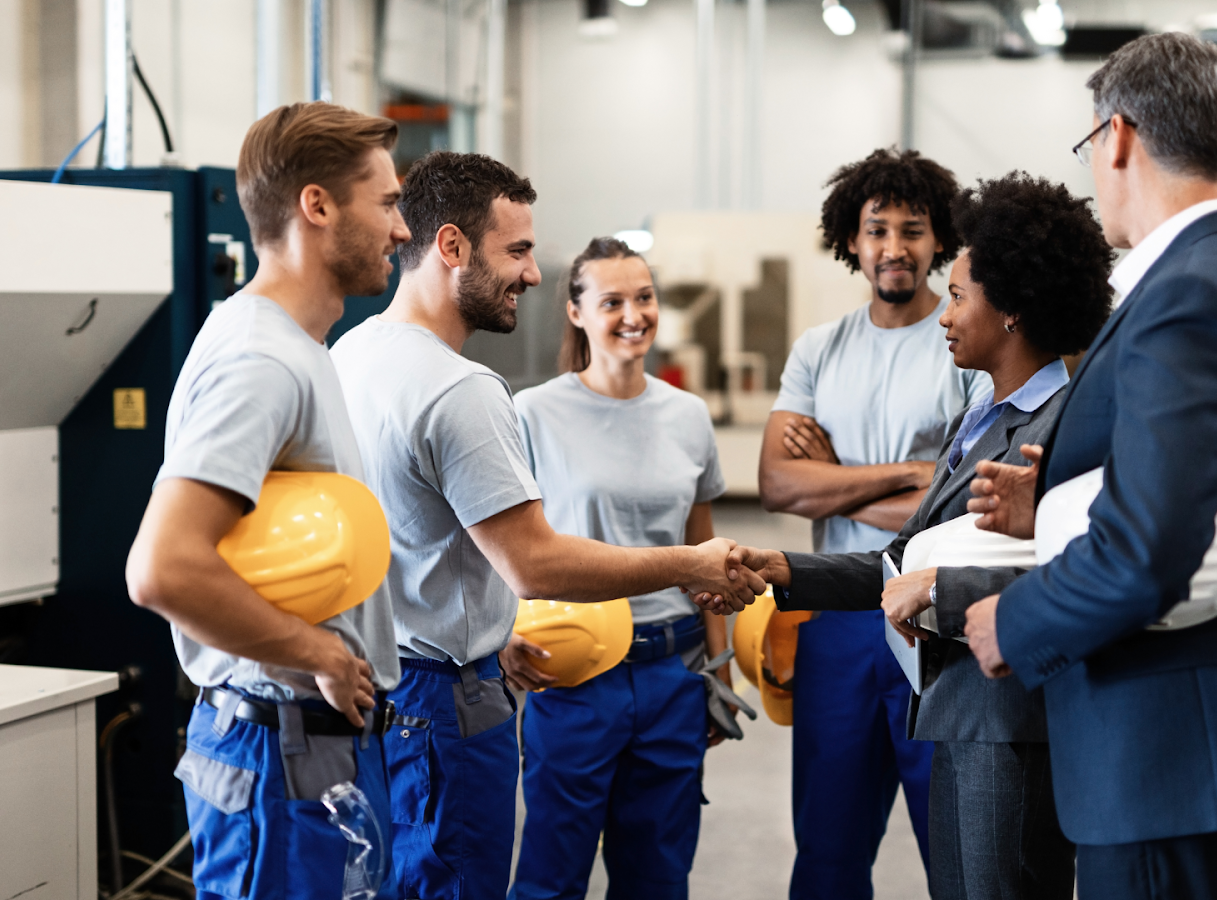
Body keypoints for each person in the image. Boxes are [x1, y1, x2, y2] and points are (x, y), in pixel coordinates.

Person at [958, 33, 1217, 900]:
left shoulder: (1187, 297)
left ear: (1119, 137)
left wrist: (1013, 624)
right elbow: (1208, 494)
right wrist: (1054, 505)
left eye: (1089, 146)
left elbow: (1148, 552)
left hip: (1170, 766)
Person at [329, 152, 762, 900]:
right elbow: (534, 565)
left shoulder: (352, 355)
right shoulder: (463, 390)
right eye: (518, 251)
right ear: (452, 247)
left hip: (385, 679)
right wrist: (689, 565)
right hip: (447, 699)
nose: (532, 273)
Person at [714, 172, 1114, 900]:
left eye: (959, 297)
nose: (944, 316)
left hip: (1003, 707)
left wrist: (934, 577)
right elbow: (900, 549)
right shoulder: (983, 418)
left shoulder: (1065, 426)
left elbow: (1087, 570)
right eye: (876, 229)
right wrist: (783, 566)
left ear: (1014, 310)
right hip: (950, 692)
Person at [124, 102, 410, 899]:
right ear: (317, 206)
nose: (402, 230)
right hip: (280, 753)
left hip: (311, 748)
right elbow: (162, 569)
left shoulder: (295, 348)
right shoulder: (262, 362)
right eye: (386, 204)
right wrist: (317, 651)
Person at [756, 147, 988, 898]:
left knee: (952, 845)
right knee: (827, 851)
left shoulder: (966, 344)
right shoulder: (819, 350)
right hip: (838, 617)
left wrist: (837, 476)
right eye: (877, 229)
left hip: (935, 619)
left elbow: (963, 501)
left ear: (938, 238)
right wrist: (911, 476)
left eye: (913, 230)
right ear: (850, 240)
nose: (895, 247)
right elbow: (779, 484)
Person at [504, 236, 733, 899]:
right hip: (572, 674)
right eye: (612, 302)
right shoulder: (532, 415)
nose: (634, 315)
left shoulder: (687, 417)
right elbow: (499, 545)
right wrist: (499, 633)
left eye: (644, 297)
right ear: (576, 312)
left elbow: (704, 557)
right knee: (551, 875)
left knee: (658, 878)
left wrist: (718, 672)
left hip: (674, 674)